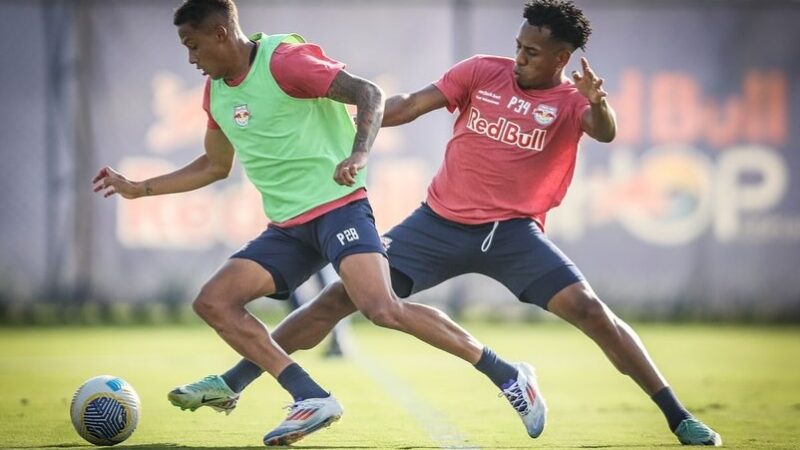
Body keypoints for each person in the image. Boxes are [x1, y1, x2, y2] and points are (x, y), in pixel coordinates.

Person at [209, 0, 723, 446]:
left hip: (512, 234)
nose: (519, 57)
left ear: (562, 59)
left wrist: (599, 101)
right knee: (339, 299)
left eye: (532, 52)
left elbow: (603, 132)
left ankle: (679, 418)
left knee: (591, 311)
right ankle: (234, 381)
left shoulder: (571, 103)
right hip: (435, 225)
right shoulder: (481, 70)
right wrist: (335, 111)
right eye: (519, 46)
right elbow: (408, 106)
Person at [92, 0, 546, 445]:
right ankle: (309, 396)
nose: (190, 58)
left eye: (193, 45)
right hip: (288, 229)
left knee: (381, 308)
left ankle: (508, 375)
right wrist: (140, 188)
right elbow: (214, 166)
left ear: (220, 34)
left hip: (339, 209)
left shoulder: (286, 62)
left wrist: (361, 152)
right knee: (214, 301)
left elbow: (369, 92)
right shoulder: (218, 91)